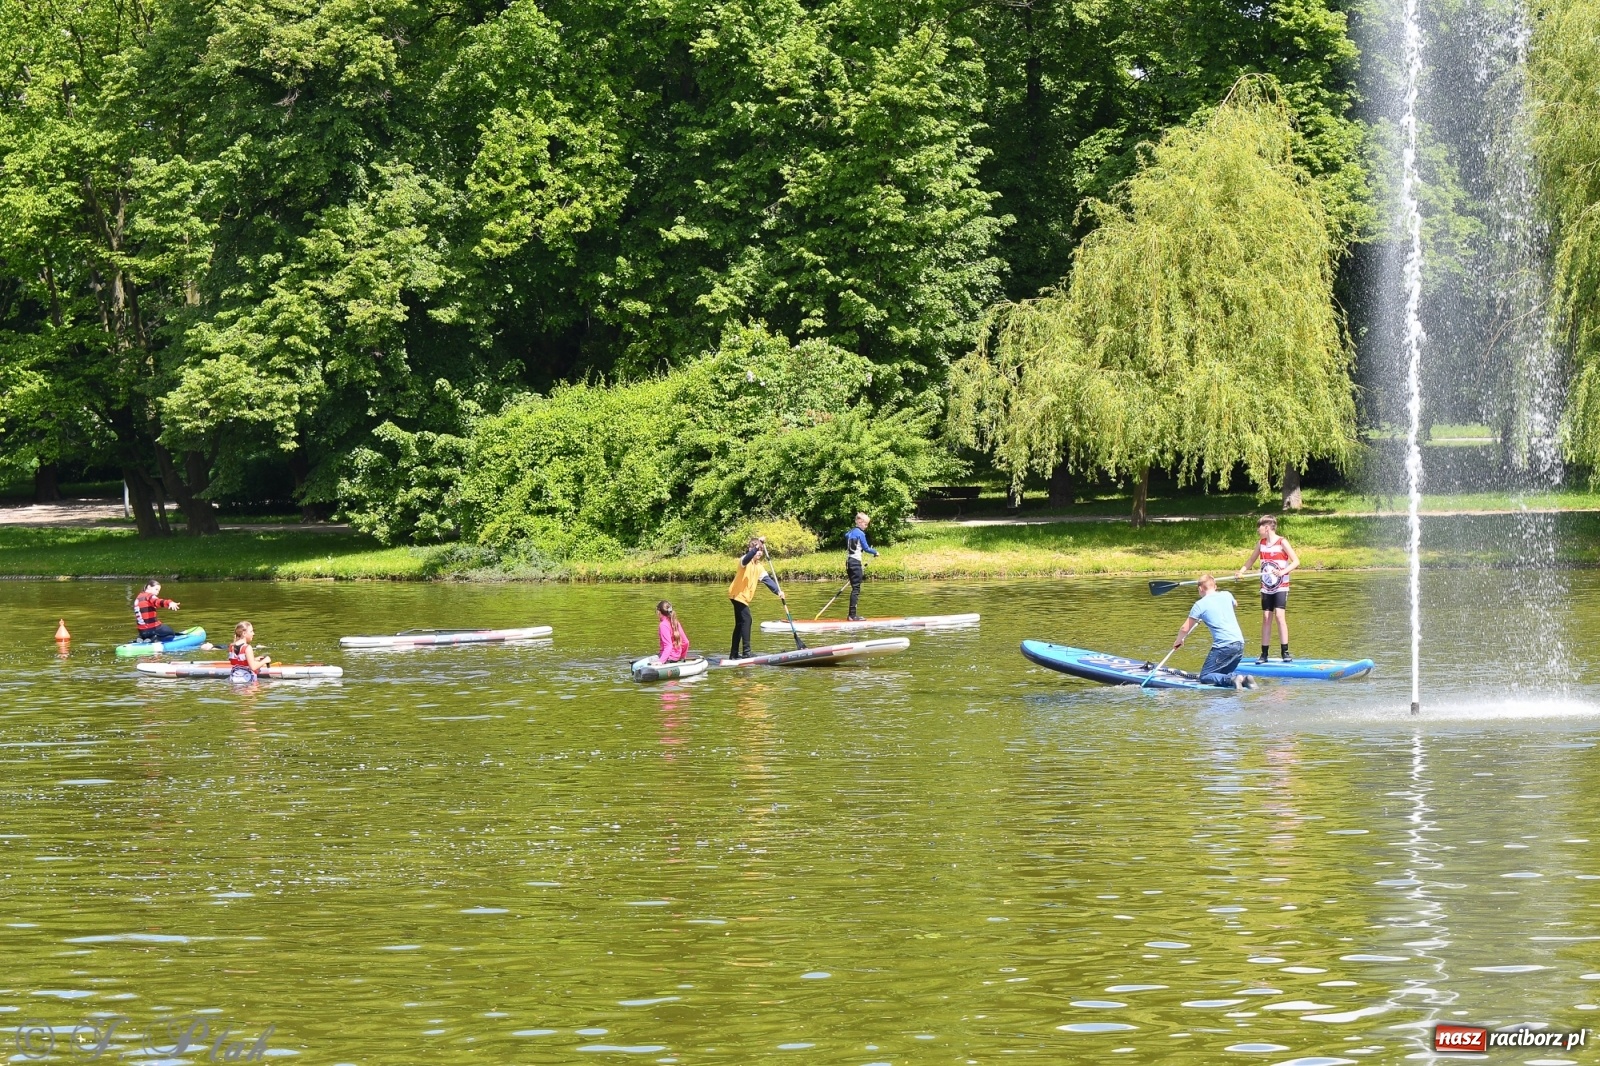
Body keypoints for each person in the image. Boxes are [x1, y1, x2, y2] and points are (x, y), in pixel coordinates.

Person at [1174, 575, 1255, 690]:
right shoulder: (1227, 594)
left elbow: (1184, 629)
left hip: (1224, 646)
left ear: (1200, 589)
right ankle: (1244, 679)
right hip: (1240, 644)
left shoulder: (1199, 605)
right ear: (1215, 586)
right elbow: (1235, 604)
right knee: (1222, 674)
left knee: (1205, 676)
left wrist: (1179, 640)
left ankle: (1232, 679)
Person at [1239, 514, 1301, 664]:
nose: (1257, 530)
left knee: (1280, 616)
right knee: (1266, 618)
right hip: (1266, 587)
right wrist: (1241, 571)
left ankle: (1285, 652)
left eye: (1259, 528)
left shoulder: (1282, 542)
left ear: (1266, 528)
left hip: (1281, 586)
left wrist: (1282, 572)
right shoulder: (1261, 543)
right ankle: (1264, 653)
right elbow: (1251, 560)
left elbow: (1296, 561)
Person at [727, 535, 784, 659]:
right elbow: (747, 558)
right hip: (737, 595)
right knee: (747, 620)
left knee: (740, 624)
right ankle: (747, 653)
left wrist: (778, 591)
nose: (759, 552)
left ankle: (734, 654)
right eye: (757, 550)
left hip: (743, 598)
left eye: (761, 550)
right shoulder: (744, 560)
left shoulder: (759, 566)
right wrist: (758, 545)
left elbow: (767, 580)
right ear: (750, 549)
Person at [844, 512, 879, 621]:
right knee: (856, 589)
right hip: (855, 563)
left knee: (854, 588)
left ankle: (851, 615)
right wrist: (875, 552)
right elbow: (866, 548)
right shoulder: (860, 534)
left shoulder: (850, 533)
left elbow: (846, 536)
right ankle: (852, 616)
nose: (866, 526)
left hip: (849, 562)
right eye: (865, 524)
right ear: (859, 522)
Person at [133, 578, 182, 643]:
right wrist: (169, 602)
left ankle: (141, 638)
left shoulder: (138, 598)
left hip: (142, 631)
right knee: (171, 633)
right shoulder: (150, 596)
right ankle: (154, 639)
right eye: (156, 589)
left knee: (147, 628)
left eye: (158, 591)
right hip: (152, 629)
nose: (157, 592)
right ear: (149, 587)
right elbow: (158, 601)